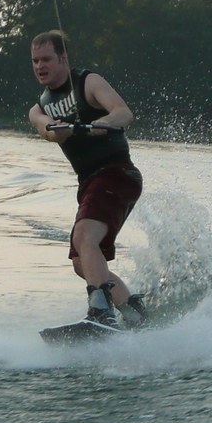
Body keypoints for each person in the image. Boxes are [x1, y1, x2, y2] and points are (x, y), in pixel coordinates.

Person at [28, 30, 147, 329]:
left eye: (47, 59)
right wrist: (62, 129)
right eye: (35, 61)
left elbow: (124, 113)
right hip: (90, 184)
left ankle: (99, 313)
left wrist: (101, 124)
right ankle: (132, 311)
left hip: (118, 173)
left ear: (63, 58)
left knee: (85, 239)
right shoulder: (38, 108)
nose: (40, 66)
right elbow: (45, 130)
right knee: (82, 261)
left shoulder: (88, 82)